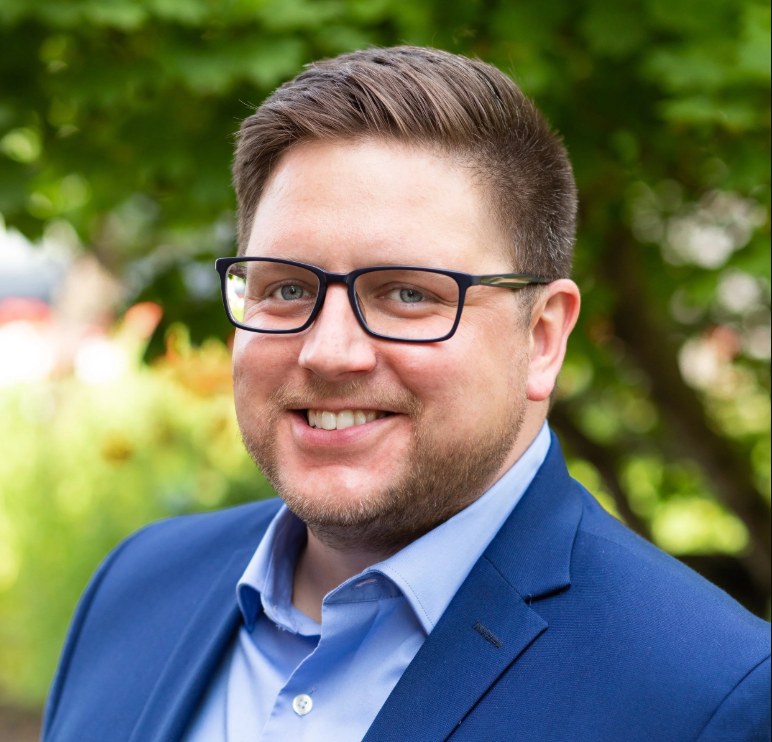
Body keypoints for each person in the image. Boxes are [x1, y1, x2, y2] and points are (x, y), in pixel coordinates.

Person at [42, 46, 770, 742]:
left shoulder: (708, 695)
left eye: (408, 295)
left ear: (542, 337)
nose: (329, 352)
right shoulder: (134, 590)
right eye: (287, 288)